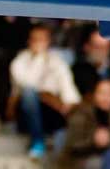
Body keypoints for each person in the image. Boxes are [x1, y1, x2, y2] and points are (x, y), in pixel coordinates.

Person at [8, 22, 81, 158]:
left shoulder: (57, 61)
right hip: (25, 110)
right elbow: (28, 83)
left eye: (42, 40)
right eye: (35, 40)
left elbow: (67, 86)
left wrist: (68, 103)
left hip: (50, 109)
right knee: (30, 94)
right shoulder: (19, 61)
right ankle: (37, 140)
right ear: (29, 41)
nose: (38, 43)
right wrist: (39, 58)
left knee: (72, 107)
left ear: (48, 41)